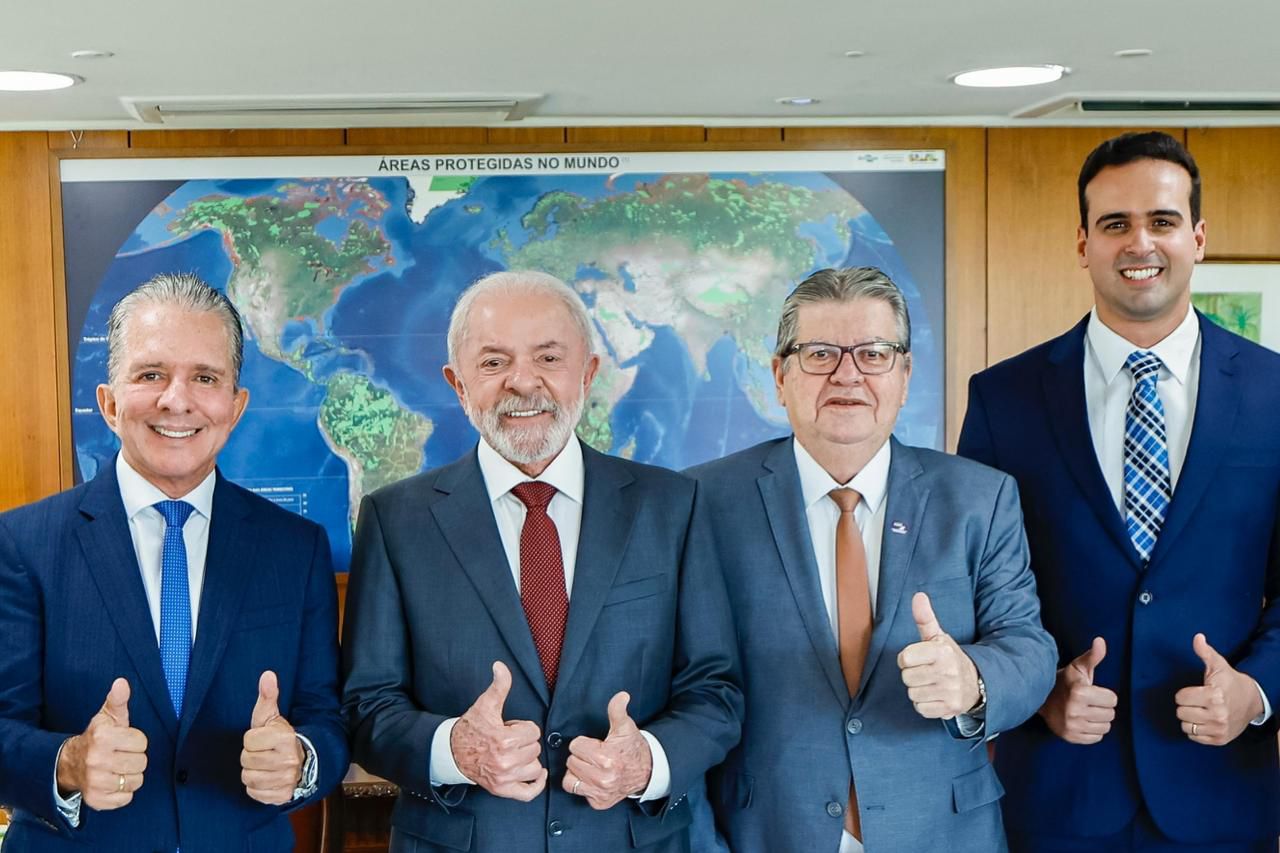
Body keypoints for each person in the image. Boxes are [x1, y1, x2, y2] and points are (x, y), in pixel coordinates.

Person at [341, 269, 742, 853]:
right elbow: (366, 707)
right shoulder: (394, 518)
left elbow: (716, 690)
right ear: (458, 384)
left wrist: (647, 762)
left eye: (548, 358)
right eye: (493, 362)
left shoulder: (673, 505)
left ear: (589, 373)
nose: (522, 382)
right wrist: (455, 750)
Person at [959, 131, 1280, 851]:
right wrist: (1037, 691)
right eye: (1115, 223)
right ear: (1083, 244)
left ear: (1198, 238)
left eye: (1162, 220)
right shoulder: (1003, 399)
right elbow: (971, 589)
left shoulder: (1275, 394)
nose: (1140, 242)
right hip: (1055, 797)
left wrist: (1255, 692)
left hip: (1222, 797)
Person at [686, 266, 1055, 853]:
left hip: (941, 833)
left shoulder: (979, 499)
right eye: (820, 354)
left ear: (904, 376)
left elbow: (1028, 646)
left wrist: (972, 680)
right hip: (765, 832)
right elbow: (680, 690)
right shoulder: (701, 503)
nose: (847, 374)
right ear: (780, 376)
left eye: (874, 354)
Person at [0, 273, 348, 852]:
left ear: (235, 407)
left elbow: (327, 718)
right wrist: (68, 762)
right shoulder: (21, 543)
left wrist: (301, 760)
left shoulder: (297, 548)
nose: (176, 400)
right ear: (109, 403)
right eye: (150, 374)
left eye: (205, 378)